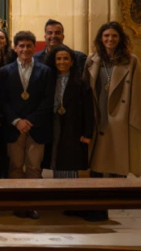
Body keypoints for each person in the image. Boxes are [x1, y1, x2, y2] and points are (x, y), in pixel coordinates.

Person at [0, 30, 53, 219]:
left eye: (29, 45)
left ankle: (32, 204)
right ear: (15, 48)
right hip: (14, 127)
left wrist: (31, 121)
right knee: (15, 166)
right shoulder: (6, 71)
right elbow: (2, 100)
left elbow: (48, 99)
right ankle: (17, 203)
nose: (25, 49)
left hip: (36, 127)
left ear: (33, 47)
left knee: (34, 168)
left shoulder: (44, 71)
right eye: (21, 46)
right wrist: (16, 121)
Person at [86, 22, 141, 190]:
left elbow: (137, 94)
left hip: (120, 116)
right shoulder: (92, 60)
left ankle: (116, 197)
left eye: (114, 36)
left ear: (120, 39)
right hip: (99, 114)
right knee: (97, 163)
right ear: (100, 38)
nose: (110, 39)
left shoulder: (131, 61)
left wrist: (134, 122)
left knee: (117, 161)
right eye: (106, 36)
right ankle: (97, 205)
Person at [43, 45, 94, 181]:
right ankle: (57, 189)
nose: (62, 62)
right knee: (55, 157)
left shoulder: (81, 82)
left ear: (72, 62)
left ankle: (70, 190)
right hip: (54, 123)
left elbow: (88, 110)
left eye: (66, 58)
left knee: (70, 159)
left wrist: (87, 133)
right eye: (58, 59)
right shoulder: (49, 79)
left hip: (74, 125)